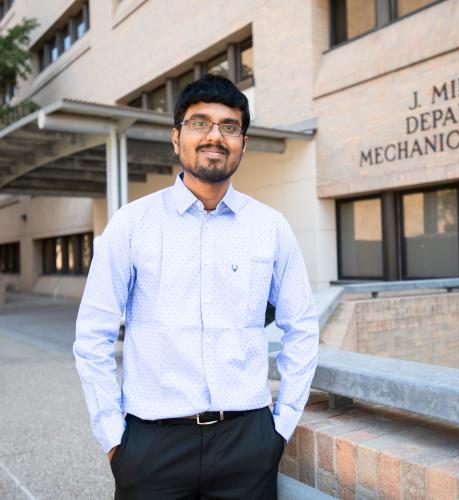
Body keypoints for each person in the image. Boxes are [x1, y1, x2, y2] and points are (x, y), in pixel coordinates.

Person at [74, 74, 319, 500]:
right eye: (200, 122)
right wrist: (115, 440)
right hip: (152, 446)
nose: (215, 136)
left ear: (243, 142)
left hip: (247, 443)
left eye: (229, 126)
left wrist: (278, 431)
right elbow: (92, 336)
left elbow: (302, 327)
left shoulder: (270, 227)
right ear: (176, 137)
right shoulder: (131, 225)